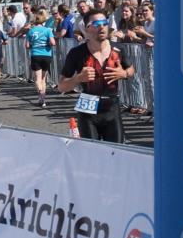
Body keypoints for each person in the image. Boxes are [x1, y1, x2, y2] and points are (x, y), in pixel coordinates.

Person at [57, 8, 135, 144]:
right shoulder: (76, 53)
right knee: (91, 155)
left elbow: (131, 70)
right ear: (87, 29)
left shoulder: (118, 49)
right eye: (97, 24)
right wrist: (78, 78)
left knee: (116, 152)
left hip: (112, 107)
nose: (102, 27)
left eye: (104, 23)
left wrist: (124, 73)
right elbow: (61, 86)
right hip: (88, 108)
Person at [25, 10, 56, 107]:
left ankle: (41, 96)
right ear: (43, 21)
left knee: (37, 78)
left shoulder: (31, 31)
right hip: (46, 55)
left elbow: (26, 45)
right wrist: (47, 44)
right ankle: (43, 99)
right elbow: (53, 43)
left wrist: (33, 45)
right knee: (43, 79)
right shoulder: (48, 30)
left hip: (35, 55)